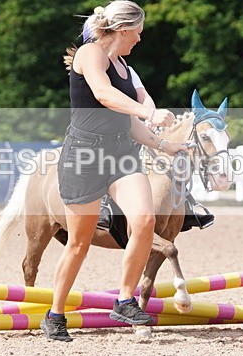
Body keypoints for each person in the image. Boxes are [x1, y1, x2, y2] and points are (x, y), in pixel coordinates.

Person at [41, 0, 191, 342]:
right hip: (84, 156)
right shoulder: (89, 54)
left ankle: (125, 299)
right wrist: (147, 111)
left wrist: (164, 145)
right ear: (122, 30)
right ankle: (55, 314)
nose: (139, 39)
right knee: (78, 244)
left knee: (145, 220)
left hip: (121, 154)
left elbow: (128, 123)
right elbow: (104, 95)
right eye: (137, 33)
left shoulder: (123, 65)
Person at [82, 20, 215, 233]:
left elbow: (143, 97)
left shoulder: (127, 69)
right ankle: (104, 205)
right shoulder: (90, 67)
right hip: (100, 131)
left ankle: (186, 203)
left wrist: (150, 119)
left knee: (164, 161)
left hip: (132, 126)